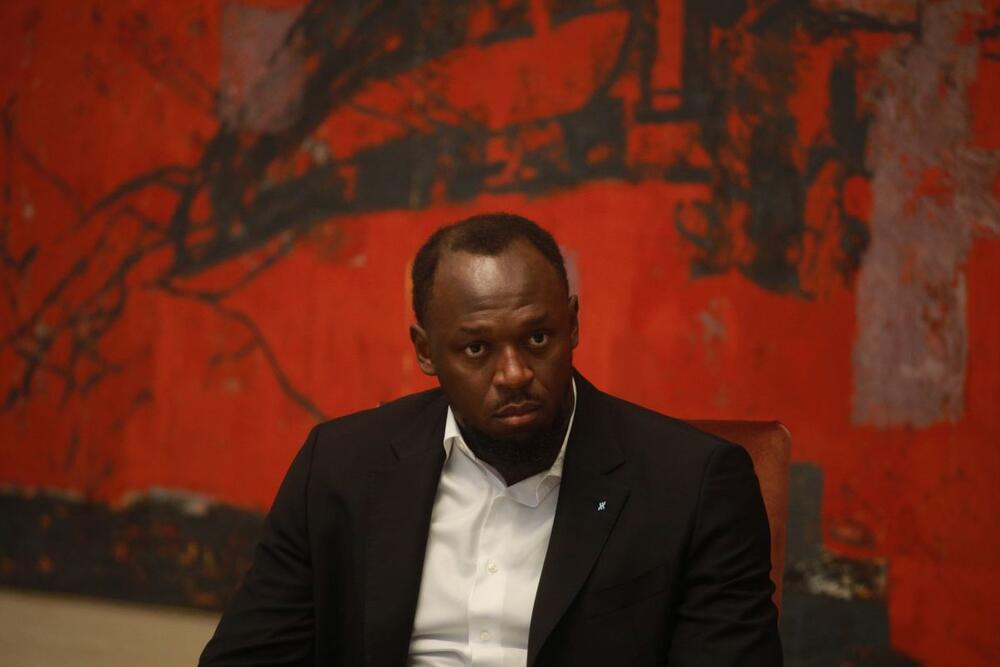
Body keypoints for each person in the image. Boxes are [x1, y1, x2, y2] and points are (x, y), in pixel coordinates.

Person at [199, 213, 782, 666]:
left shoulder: (693, 484)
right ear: (426, 352)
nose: (514, 373)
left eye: (538, 338)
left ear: (573, 324)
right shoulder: (341, 465)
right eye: (476, 348)